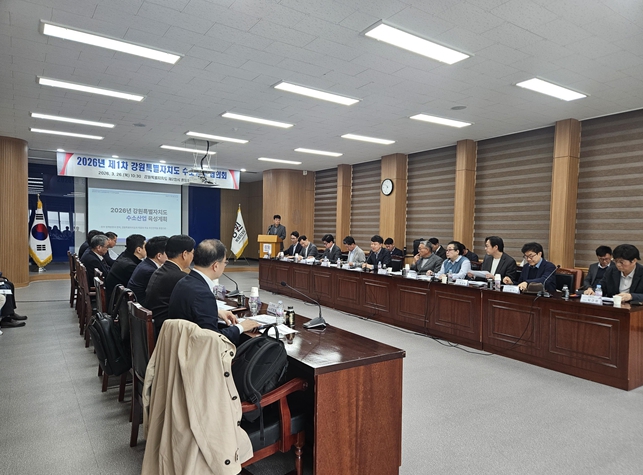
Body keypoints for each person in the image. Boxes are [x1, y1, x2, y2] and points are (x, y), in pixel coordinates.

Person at [168, 239, 260, 344]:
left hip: (179, 343)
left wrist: (216, 312)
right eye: (225, 262)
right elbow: (213, 340)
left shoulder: (183, 282)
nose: (224, 266)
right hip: (194, 349)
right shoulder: (203, 294)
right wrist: (241, 327)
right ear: (215, 266)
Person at [145, 234, 195, 337]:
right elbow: (194, 308)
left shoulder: (161, 271)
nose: (193, 257)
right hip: (168, 334)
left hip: (157, 327)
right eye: (192, 253)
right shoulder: (180, 278)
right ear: (185, 254)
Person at [104, 234, 146, 304]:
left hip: (116, 299)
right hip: (117, 304)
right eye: (145, 247)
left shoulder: (124, 256)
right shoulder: (129, 266)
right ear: (138, 250)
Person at [127, 236, 168, 305]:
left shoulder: (146, 263)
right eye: (168, 252)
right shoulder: (150, 271)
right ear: (159, 256)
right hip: (144, 307)